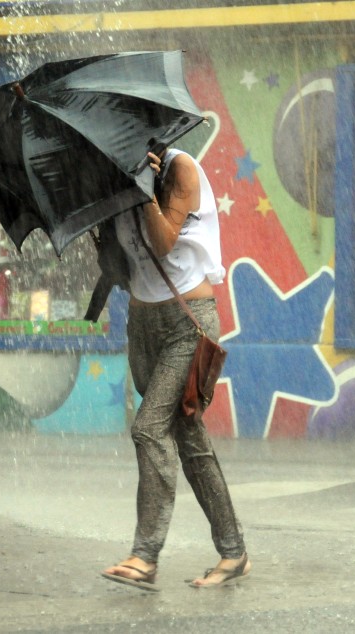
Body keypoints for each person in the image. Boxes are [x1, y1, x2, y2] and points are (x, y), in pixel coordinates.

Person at [100, 146, 250, 590]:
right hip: (142, 322)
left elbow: (164, 242)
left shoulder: (178, 168)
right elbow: (120, 265)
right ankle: (234, 551)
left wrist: (143, 187)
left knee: (148, 428)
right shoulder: (116, 169)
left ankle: (145, 557)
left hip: (188, 322)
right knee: (187, 437)